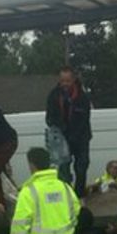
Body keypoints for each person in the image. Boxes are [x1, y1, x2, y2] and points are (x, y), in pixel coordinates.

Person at [46, 66, 93, 196]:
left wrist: (74, 135)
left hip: (81, 137)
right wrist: (61, 130)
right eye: (62, 81)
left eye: (67, 81)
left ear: (73, 80)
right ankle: (66, 194)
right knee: (63, 169)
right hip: (62, 137)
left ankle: (79, 194)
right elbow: (49, 118)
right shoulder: (54, 95)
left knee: (81, 167)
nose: (65, 84)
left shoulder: (83, 98)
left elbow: (84, 119)